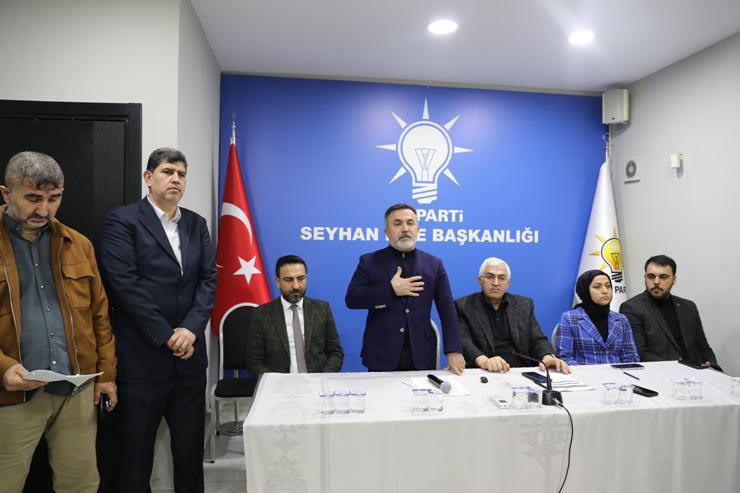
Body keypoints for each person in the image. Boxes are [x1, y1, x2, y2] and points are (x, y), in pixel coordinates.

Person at [100, 147, 216, 493]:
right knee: (134, 459)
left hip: (189, 361)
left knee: (190, 456)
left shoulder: (196, 223)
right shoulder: (123, 221)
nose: (176, 179)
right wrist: (167, 335)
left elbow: (208, 280)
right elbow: (125, 286)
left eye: (181, 174)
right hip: (143, 361)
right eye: (168, 172)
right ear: (148, 178)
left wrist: (190, 330)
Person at [0, 151, 117, 493]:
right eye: (33, 198)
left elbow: (99, 315)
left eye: (54, 199)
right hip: (12, 394)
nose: (44, 210)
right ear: (6, 193)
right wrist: (3, 368)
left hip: (75, 391)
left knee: (81, 485)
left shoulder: (78, 244)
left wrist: (107, 376)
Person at [345, 203, 464, 373]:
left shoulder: (434, 264)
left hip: (422, 354)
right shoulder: (369, 261)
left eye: (410, 223)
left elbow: (447, 310)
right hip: (381, 355)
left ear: (418, 229)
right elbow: (352, 299)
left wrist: (454, 350)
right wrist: (390, 289)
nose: (405, 229)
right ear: (387, 231)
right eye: (397, 223)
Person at [455, 257, 570, 373]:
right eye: (490, 277)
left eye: (501, 278)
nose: (495, 283)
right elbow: (463, 341)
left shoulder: (524, 305)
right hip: (483, 371)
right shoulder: (463, 306)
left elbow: (537, 339)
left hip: (520, 370)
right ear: (480, 281)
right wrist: (483, 361)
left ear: (508, 284)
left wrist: (547, 356)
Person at [620, 255, 720, 368]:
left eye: (663, 277)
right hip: (661, 373)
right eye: (651, 276)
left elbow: (703, 346)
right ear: (645, 277)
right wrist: (681, 368)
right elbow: (639, 353)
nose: (656, 282)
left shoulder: (688, 307)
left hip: (697, 371)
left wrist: (712, 364)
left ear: (674, 279)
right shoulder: (632, 308)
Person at [248, 255, 344, 374]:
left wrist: (322, 378)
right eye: (288, 280)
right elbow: (254, 361)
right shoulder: (261, 315)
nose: (296, 286)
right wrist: (275, 381)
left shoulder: (322, 309)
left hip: (318, 380)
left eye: (301, 278)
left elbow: (336, 352)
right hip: (279, 383)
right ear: (278, 282)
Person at [555, 269, 639, 365]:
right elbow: (564, 358)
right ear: (585, 290)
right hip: (584, 373)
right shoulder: (570, 318)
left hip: (618, 373)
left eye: (608, 286)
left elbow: (631, 357)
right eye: (597, 287)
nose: (605, 291)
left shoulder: (621, 319)